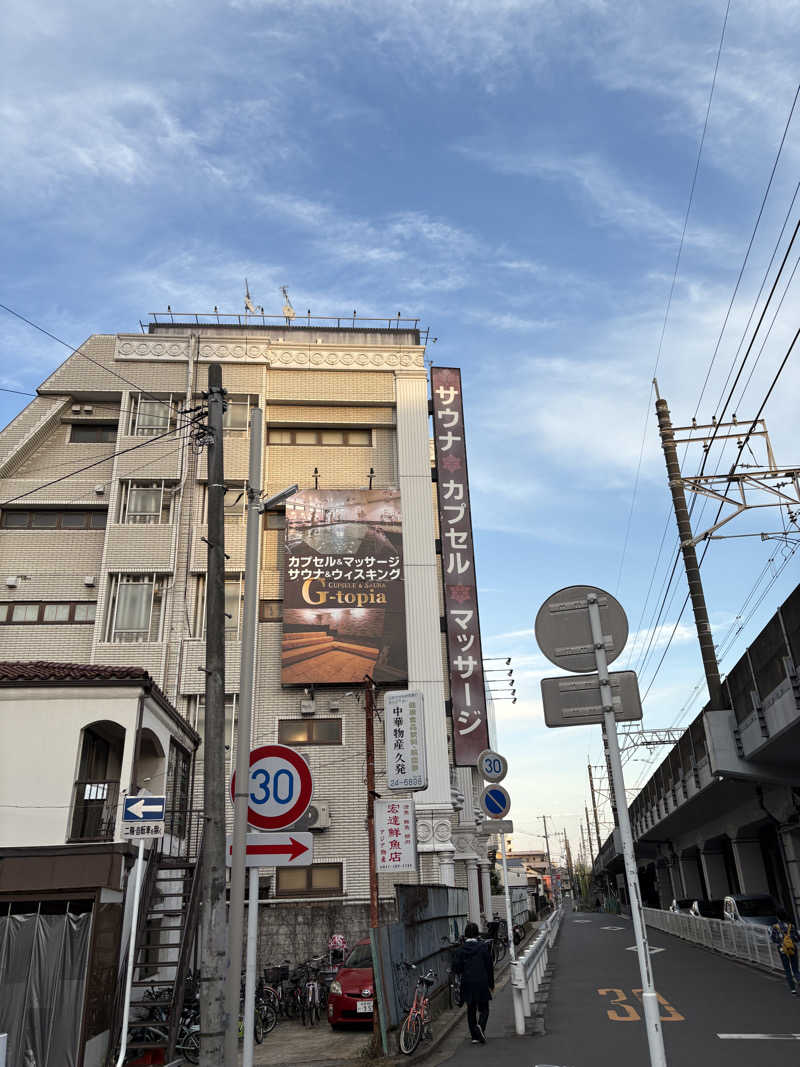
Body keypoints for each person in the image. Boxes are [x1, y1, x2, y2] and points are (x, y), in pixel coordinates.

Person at [452, 922, 494, 1044]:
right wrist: (491, 984)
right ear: (477, 934)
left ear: (465, 935)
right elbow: (489, 967)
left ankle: (474, 1037)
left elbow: (457, 968)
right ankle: (480, 1026)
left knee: (471, 1009)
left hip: (467, 982)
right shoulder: (483, 947)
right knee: (484, 1008)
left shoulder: (460, 950)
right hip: (481, 981)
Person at [770, 908, 800, 993]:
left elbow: (773, 939)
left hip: (782, 949)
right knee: (795, 968)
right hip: (792, 948)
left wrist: (780, 940)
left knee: (787, 969)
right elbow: (797, 938)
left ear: (777, 917)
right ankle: (798, 979)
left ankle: (793, 989)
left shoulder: (775, 927)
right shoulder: (791, 926)